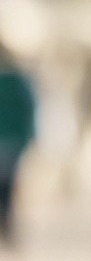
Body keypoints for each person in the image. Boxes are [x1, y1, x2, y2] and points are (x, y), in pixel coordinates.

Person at [0, 45, 36, 247]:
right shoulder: (19, 80)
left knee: (4, 186)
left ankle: (6, 223)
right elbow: (30, 108)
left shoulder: (17, 80)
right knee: (7, 186)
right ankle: (6, 224)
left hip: (10, 139)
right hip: (14, 140)